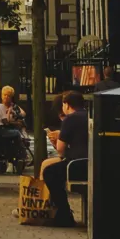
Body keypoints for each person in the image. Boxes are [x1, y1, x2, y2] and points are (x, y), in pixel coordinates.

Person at [40, 90, 88, 227]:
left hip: (75, 165)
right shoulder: (89, 116)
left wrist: (55, 140)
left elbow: (61, 150)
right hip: (92, 163)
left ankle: (64, 213)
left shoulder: (70, 119)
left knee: (50, 172)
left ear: (67, 105)